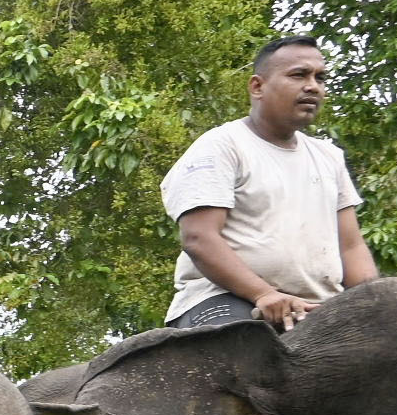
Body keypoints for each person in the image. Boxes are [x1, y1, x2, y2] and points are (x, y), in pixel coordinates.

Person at [161, 36, 378, 329]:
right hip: (227, 299)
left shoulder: (329, 156)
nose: (313, 86)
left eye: (320, 77)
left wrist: (375, 306)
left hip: (319, 308)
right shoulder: (222, 146)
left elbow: (351, 247)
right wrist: (263, 293)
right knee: (245, 357)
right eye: (299, 75)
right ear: (257, 87)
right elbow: (199, 238)